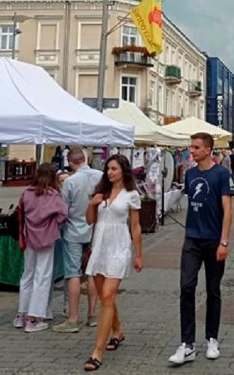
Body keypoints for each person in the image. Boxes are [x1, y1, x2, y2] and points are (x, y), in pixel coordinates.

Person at [169, 132, 234, 366]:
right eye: (191, 147)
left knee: (213, 290)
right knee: (186, 287)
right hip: (192, 239)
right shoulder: (190, 174)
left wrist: (224, 242)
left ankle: (212, 339)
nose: (192, 151)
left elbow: (227, 210)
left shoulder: (221, 174)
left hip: (214, 239)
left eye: (196, 147)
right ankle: (187, 344)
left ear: (208, 149)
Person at [82, 155, 143, 372]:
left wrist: (138, 254)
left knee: (107, 296)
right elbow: (90, 220)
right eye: (108, 168)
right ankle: (117, 330)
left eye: (114, 169)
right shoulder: (101, 193)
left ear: (123, 171)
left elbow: (135, 226)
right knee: (104, 296)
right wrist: (92, 204)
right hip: (100, 246)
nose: (110, 172)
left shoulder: (131, 195)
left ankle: (97, 352)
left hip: (119, 247)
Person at [13, 163, 69, 334]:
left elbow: (20, 211)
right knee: (42, 277)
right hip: (46, 238)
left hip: (29, 237)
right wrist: (54, 223)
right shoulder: (53, 195)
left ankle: (21, 315)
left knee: (27, 274)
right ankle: (34, 318)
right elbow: (64, 214)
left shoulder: (27, 193)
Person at [56, 147, 103, 333]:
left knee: (72, 273)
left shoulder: (70, 182)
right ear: (85, 158)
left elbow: (63, 210)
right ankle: (92, 315)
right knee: (91, 272)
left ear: (70, 162)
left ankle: (72, 319)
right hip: (94, 231)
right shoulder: (100, 175)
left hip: (74, 231)